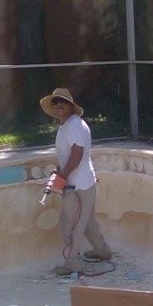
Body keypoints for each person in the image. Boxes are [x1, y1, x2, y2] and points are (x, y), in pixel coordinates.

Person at [40, 87, 112, 275]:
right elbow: (68, 154)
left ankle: (73, 262)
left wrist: (61, 176)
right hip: (77, 182)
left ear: (72, 106)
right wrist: (60, 171)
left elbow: (77, 154)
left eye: (63, 101)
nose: (59, 105)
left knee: (72, 223)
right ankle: (102, 250)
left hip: (81, 183)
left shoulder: (75, 125)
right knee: (85, 221)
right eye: (56, 102)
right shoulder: (66, 126)